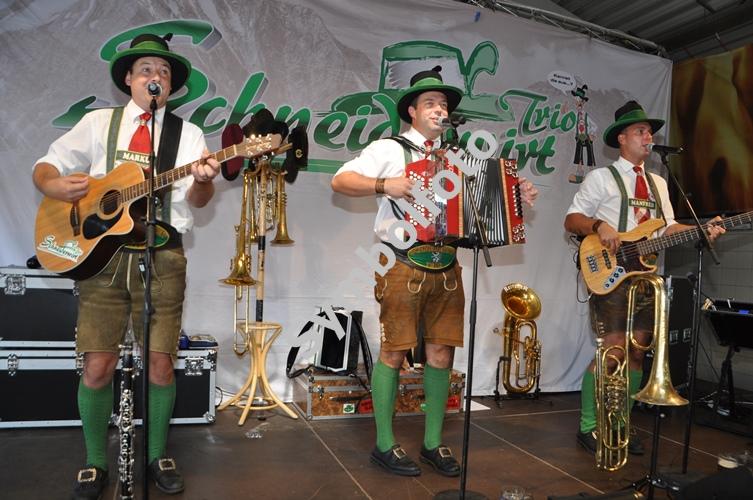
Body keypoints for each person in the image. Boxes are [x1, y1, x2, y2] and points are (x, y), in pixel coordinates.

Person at [32, 33, 220, 499]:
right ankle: (96, 461)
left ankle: (157, 454)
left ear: (170, 86)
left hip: (163, 255)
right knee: (98, 364)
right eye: (147, 70)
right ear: (130, 80)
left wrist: (203, 181)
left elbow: (198, 200)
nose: (156, 77)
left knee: (161, 364)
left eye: (164, 72)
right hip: (102, 260)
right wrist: (54, 187)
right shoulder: (99, 123)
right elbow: (47, 165)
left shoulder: (187, 136)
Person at [331, 68, 537, 476]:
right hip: (400, 262)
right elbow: (340, 181)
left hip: (447, 265)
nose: (439, 109)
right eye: (430, 103)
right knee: (394, 352)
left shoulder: (458, 157)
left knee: (441, 354)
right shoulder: (389, 148)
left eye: (443, 104)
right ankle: (384, 444)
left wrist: (515, 194)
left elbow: (482, 200)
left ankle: (432, 443)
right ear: (411, 111)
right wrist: (385, 185)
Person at [564, 100, 725, 456]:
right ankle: (589, 426)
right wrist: (599, 225)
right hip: (611, 275)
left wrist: (701, 229)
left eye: (650, 131)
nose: (648, 136)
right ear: (621, 138)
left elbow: (667, 228)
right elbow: (572, 220)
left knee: (637, 352)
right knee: (612, 351)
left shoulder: (658, 182)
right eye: (640, 131)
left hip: (645, 276)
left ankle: (620, 422)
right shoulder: (601, 178)